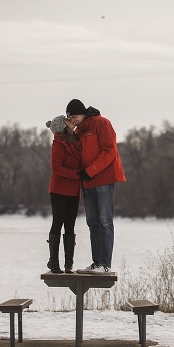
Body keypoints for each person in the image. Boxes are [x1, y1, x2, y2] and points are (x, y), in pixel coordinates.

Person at [63, 98, 126, 274]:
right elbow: (70, 150)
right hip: (87, 182)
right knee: (92, 222)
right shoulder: (79, 131)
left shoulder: (101, 123)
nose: (73, 120)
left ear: (82, 113)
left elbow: (110, 151)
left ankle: (104, 265)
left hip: (103, 179)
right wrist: (68, 129)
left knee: (104, 221)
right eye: (70, 118)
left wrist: (91, 170)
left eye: (74, 116)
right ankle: (97, 262)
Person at [45, 115, 82, 274]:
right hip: (59, 189)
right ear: (62, 126)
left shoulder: (75, 140)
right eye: (67, 120)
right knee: (58, 223)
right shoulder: (58, 144)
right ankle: (54, 263)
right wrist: (77, 174)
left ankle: (69, 265)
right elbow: (56, 168)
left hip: (73, 190)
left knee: (70, 226)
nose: (71, 121)